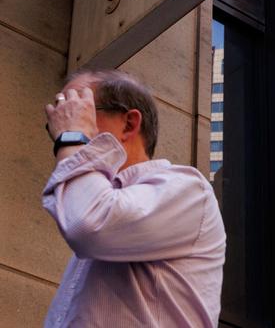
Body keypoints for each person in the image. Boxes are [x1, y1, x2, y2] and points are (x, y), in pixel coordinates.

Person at [42, 69, 226, 327]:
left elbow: (89, 225)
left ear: (129, 124)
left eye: (76, 109)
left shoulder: (188, 191)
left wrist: (72, 137)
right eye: (59, 117)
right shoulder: (101, 205)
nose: (61, 123)